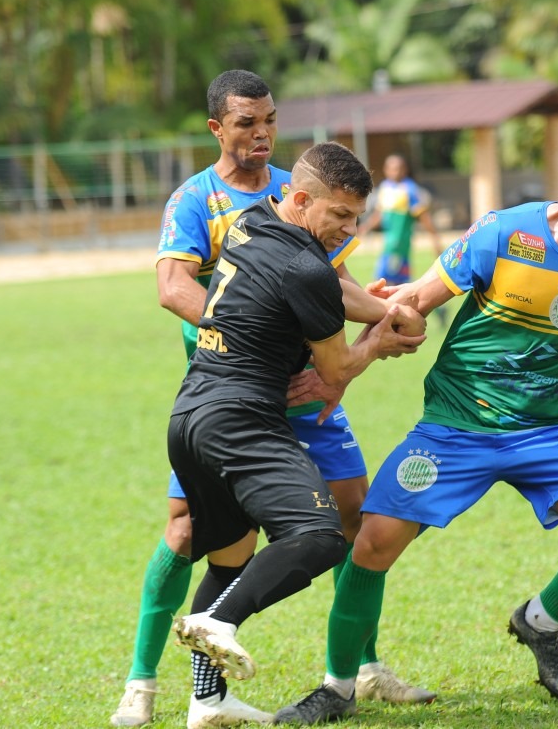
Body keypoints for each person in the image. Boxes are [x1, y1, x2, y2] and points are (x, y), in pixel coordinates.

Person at [273, 133, 558, 724]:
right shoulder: (504, 235)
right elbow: (411, 307)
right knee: (372, 544)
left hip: (549, 431)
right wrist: (342, 374)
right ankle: (338, 688)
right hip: (456, 428)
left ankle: (539, 621)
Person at [111, 70, 432, 729]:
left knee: (352, 520)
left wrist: (384, 306)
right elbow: (174, 288)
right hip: (236, 392)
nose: (260, 135)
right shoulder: (196, 199)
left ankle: (356, 668)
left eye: (269, 122)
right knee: (193, 535)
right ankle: (141, 684)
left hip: (287, 390)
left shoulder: (300, 191)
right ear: (216, 129)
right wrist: (251, 333)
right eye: (245, 124)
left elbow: (329, 284)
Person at [358, 153, 440, 286]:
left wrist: (435, 238)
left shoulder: (410, 189)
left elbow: (423, 216)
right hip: (388, 243)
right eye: (391, 168)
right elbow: (380, 214)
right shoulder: (385, 187)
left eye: (398, 168)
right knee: (396, 282)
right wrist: (365, 227)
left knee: (380, 282)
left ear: (405, 170)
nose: (395, 171)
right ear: (386, 170)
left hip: (399, 245)